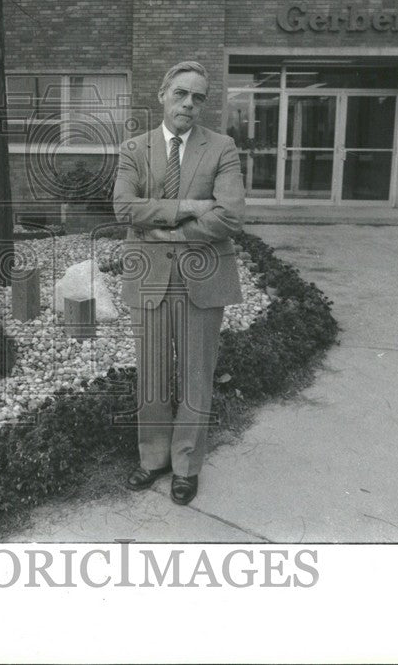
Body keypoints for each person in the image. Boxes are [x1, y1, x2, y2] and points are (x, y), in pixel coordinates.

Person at [112, 60, 245, 505]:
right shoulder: (134, 148)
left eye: (199, 97)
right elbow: (125, 209)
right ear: (162, 94)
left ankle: (186, 467)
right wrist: (190, 204)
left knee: (195, 375)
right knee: (151, 374)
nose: (190, 104)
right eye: (181, 94)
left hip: (203, 277)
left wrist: (173, 231)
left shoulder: (222, 147)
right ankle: (153, 460)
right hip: (148, 276)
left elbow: (230, 214)